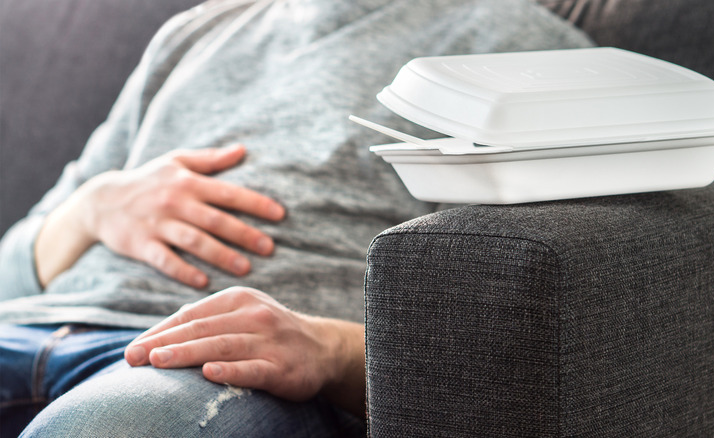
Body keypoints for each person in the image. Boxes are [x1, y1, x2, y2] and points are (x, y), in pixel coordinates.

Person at [0, 0, 593, 435]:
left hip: (203, 366)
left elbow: (525, 350)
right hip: (27, 328)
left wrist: (332, 349)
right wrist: (90, 208)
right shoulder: (196, 32)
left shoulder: (524, 55)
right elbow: (10, 277)